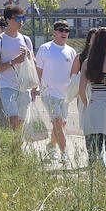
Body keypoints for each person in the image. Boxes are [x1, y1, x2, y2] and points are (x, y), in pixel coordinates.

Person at [77, 28, 106, 174]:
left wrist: (88, 104)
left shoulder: (86, 63)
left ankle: (96, 180)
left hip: (94, 105)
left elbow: (81, 91)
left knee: (94, 151)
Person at [34, 20, 79, 159]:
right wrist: (34, 87)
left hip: (65, 95)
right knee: (57, 122)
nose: (64, 33)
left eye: (67, 30)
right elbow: (38, 70)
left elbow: (74, 73)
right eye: (61, 30)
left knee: (61, 123)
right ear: (54, 32)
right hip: (49, 92)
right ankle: (64, 153)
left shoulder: (71, 51)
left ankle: (51, 146)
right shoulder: (45, 48)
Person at [0, 6, 34, 132]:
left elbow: (34, 63)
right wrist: (13, 62)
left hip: (24, 86)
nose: (21, 21)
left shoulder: (26, 40)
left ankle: (17, 146)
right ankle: (15, 147)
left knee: (21, 122)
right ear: (8, 20)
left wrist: (28, 55)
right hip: (7, 86)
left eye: (22, 18)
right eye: (17, 18)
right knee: (13, 118)